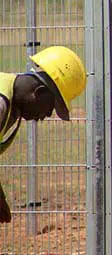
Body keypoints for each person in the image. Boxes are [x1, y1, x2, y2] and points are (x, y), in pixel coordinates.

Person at [0, 46, 85, 223]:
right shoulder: (1, 103)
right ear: (38, 93)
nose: (46, 116)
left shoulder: (12, 104)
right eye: (50, 108)